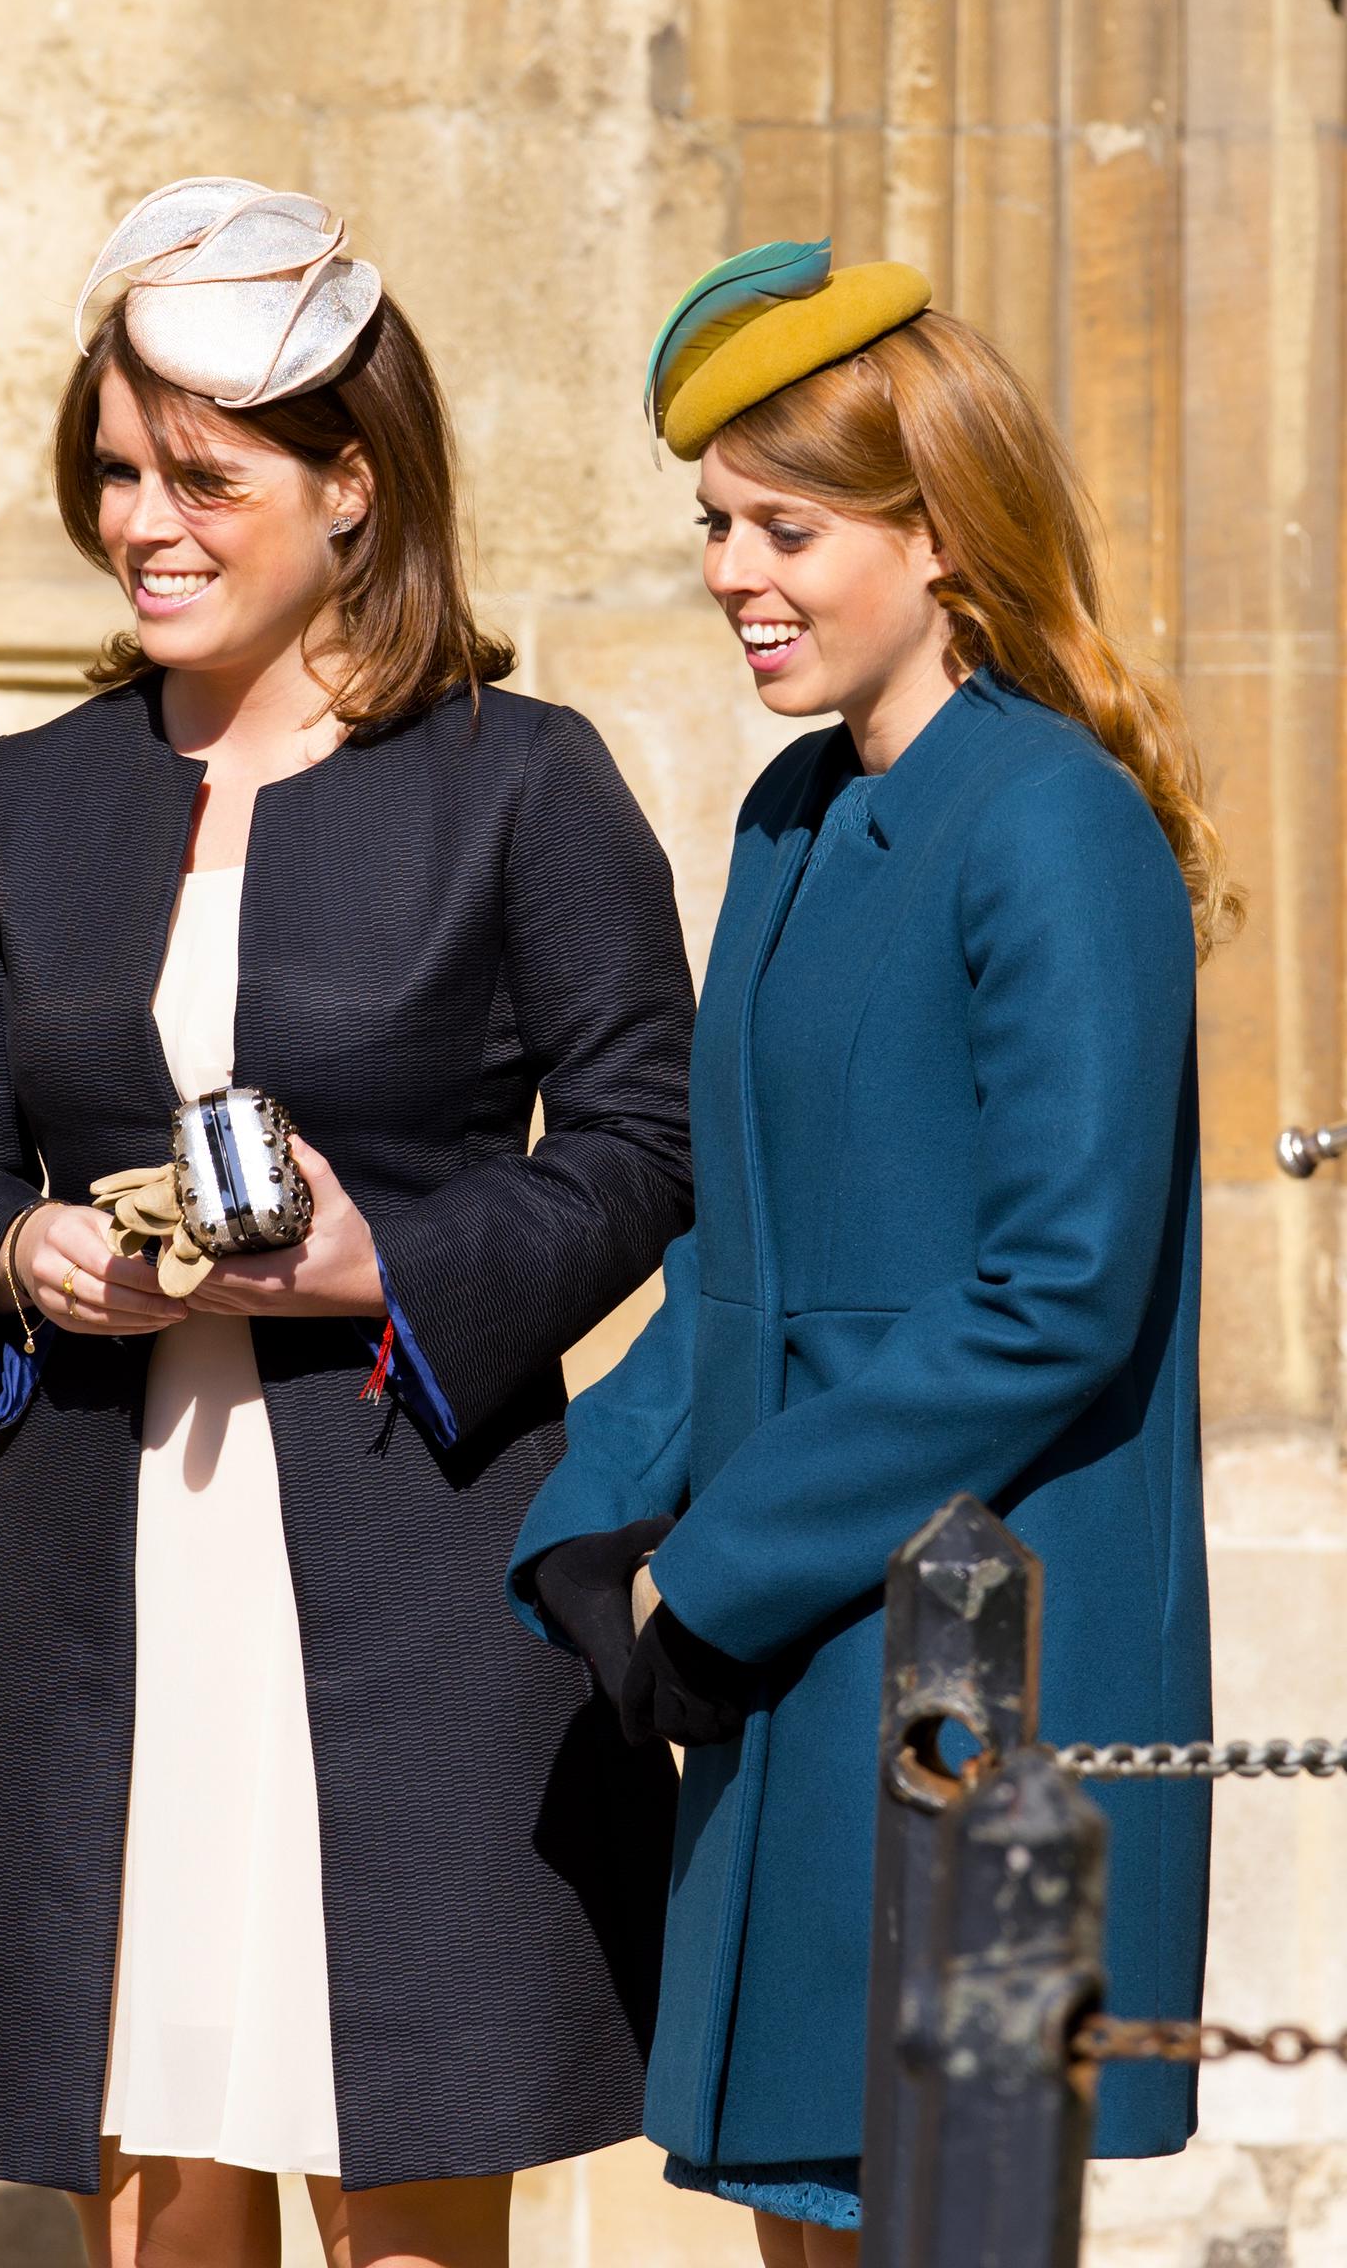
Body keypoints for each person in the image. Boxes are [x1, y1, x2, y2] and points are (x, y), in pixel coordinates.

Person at [0, 178, 698, 2268]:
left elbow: (649, 1137)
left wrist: (384, 1264)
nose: (145, 520)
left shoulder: (521, 779)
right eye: (118, 473)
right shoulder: (31, 798)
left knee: (402, 2193)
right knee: (152, 2178)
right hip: (102, 1591)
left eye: (203, 479)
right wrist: (28, 1258)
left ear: (352, 485)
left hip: (413, 1577)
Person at [506, 243, 1235, 2267]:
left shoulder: (1052, 824)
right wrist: (598, 1501)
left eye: (788, 527)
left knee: (934, 2220)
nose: (739, 571)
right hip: (808, 1646)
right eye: (717, 527)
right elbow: (749, 1253)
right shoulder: (792, 816)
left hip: (968, 1655)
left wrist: (722, 1572)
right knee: (805, 2220)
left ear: (938, 533)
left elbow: (1058, 1293)